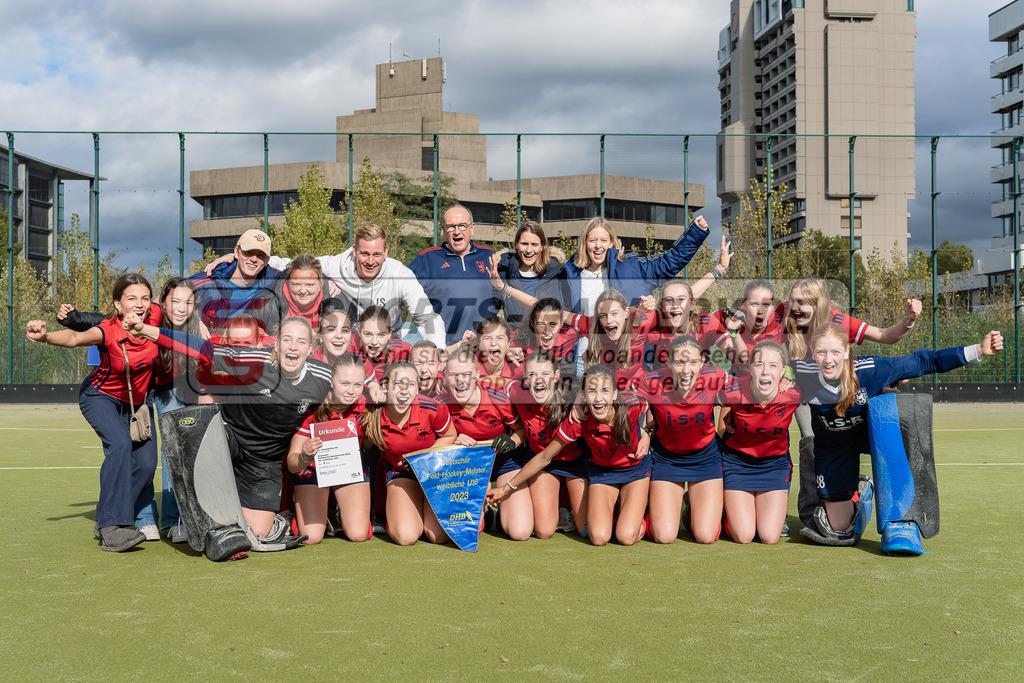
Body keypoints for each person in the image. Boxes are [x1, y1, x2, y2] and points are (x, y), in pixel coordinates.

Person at [795, 323, 1003, 545]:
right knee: (840, 528)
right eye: (821, 352)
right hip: (833, 447)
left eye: (836, 352)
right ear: (812, 352)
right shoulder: (801, 373)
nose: (828, 360)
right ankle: (862, 490)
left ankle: (900, 522)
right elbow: (762, 372)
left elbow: (923, 361)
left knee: (895, 413)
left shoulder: (871, 369)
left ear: (847, 351)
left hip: (873, 436)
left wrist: (978, 350)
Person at [130, 315, 332, 540]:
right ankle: (191, 516)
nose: (293, 347)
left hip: (264, 459)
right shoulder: (254, 360)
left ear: (311, 349)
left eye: (301, 342)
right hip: (230, 436)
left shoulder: (323, 378)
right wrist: (145, 329)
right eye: (287, 339)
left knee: (256, 532)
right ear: (276, 344)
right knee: (201, 441)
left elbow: (355, 382)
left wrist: (372, 385)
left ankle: (246, 516)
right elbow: (198, 346)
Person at [25, 273, 163, 553]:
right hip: (100, 397)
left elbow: (179, 298)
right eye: (131, 298)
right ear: (118, 304)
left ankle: (105, 515)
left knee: (147, 464)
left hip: (136, 406)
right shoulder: (108, 330)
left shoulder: (155, 317)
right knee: (120, 445)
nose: (140, 304)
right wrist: (45, 337)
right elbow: (76, 337)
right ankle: (113, 528)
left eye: (145, 298)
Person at [777, 276, 924, 525]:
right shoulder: (784, 314)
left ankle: (838, 500)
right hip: (796, 388)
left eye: (801, 301)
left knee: (816, 439)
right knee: (798, 441)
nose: (793, 307)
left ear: (818, 301)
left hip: (832, 390)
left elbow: (885, 335)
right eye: (792, 300)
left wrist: (908, 321)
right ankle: (809, 511)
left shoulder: (839, 320)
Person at [486, 365, 652, 547]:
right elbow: (544, 457)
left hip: (635, 470)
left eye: (605, 390)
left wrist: (646, 434)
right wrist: (505, 488)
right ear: (584, 395)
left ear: (614, 394)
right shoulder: (578, 420)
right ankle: (620, 510)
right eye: (591, 391)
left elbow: (657, 410)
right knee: (597, 537)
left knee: (626, 537)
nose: (598, 398)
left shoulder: (633, 404)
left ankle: (638, 518)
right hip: (602, 473)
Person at [207, 223, 447, 349]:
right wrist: (234, 258)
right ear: (354, 251)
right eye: (364, 253)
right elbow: (290, 264)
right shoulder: (336, 265)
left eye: (377, 254)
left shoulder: (400, 274)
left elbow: (426, 317)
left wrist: (439, 350)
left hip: (385, 342)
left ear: (386, 252)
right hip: (348, 341)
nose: (370, 261)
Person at [633, 335, 729, 544]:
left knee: (705, 536)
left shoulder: (716, 376)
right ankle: (654, 506)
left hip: (705, 458)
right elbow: (624, 406)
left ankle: (690, 505)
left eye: (693, 362)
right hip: (667, 458)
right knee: (664, 536)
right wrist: (644, 432)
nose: (687, 370)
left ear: (702, 362)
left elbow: (748, 386)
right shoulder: (651, 381)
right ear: (668, 362)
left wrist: (786, 380)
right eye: (680, 363)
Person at [361, 362, 458, 545]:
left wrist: (419, 458)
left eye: (411, 384)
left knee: (438, 536)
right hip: (401, 474)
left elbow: (450, 435)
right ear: (385, 386)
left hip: (433, 472)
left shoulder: (432, 408)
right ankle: (394, 510)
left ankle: (426, 509)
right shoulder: (372, 412)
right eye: (398, 384)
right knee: (406, 537)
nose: (404, 391)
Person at [717, 341, 800, 545]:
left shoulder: (793, 394)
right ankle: (716, 511)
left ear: (783, 371)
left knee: (769, 537)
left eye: (773, 365)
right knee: (744, 536)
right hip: (738, 464)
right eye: (759, 364)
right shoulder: (732, 390)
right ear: (750, 368)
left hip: (774, 466)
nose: (765, 371)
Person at [439, 347, 526, 537]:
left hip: (504, 461)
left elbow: (522, 430)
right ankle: (485, 514)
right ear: (445, 378)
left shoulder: (497, 397)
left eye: (466, 374)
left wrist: (511, 442)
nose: (460, 381)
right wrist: (452, 440)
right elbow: (433, 441)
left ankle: (502, 509)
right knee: (470, 530)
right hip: (467, 465)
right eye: (454, 375)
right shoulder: (442, 403)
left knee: (520, 531)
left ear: (478, 375)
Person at [286, 354, 370, 544]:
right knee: (311, 537)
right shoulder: (313, 407)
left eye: (358, 385)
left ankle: (343, 515)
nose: (351, 391)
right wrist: (305, 455)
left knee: (358, 534)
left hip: (349, 471)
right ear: (331, 381)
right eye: (345, 383)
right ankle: (297, 515)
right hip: (313, 471)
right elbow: (292, 463)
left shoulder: (366, 405)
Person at [506, 351, 588, 538]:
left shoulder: (573, 399)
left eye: (544, 374)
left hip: (576, 462)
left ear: (556, 375)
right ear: (525, 379)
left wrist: (644, 431)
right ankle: (559, 507)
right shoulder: (516, 391)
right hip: (541, 462)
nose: (538, 380)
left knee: (588, 531)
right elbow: (495, 383)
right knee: (543, 531)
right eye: (532, 375)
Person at [560, 215, 711, 316]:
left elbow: (670, 262)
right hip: (583, 358)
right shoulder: (568, 274)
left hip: (624, 356)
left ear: (612, 243)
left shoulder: (632, 268)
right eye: (592, 240)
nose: (598, 246)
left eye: (603, 240)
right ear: (585, 243)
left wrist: (694, 234)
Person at [409, 205, 499, 347]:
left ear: (472, 228)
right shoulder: (427, 258)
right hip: (446, 349)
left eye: (462, 226)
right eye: (451, 227)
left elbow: (498, 294)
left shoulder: (487, 255)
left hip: (484, 347)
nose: (457, 232)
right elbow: (402, 289)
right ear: (444, 231)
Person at [190, 229, 280, 343]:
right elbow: (167, 298)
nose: (253, 259)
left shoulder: (273, 281)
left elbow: (300, 268)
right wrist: (194, 320)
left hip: (240, 350)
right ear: (237, 252)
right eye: (249, 252)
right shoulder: (207, 281)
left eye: (260, 255)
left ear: (267, 260)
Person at [491, 221, 571, 326]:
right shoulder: (503, 274)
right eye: (524, 244)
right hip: (516, 340)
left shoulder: (557, 273)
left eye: (534, 245)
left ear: (542, 246)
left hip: (550, 339)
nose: (529, 250)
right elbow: (489, 312)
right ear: (516, 244)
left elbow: (569, 310)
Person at [354, 306, 411, 401]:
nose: (374, 341)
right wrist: (370, 384)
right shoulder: (349, 345)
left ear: (389, 333)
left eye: (381, 335)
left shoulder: (400, 349)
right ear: (359, 331)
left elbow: (430, 360)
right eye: (368, 334)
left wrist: (440, 379)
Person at [474, 316, 523, 383]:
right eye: (487, 338)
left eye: (499, 338)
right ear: (479, 344)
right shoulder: (469, 367)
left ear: (508, 343)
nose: (493, 343)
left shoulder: (519, 368)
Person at [312, 297, 356, 366]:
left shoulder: (359, 361)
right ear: (321, 336)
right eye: (331, 330)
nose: (339, 336)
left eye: (344, 330)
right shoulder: (308, 361)